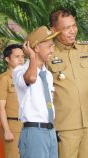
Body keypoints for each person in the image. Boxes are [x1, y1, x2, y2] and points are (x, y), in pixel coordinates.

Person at [48, 8, 88, 158]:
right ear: (54, 30)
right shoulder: (48, 53)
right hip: (64, 125)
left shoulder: (87, 48)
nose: (72, 31)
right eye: (66, 28)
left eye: (74, 26)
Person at [13, 26, 60, 158]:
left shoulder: (48, 75)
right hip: (34, 131)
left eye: (53, 46)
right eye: (49, 46)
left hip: (50, 131)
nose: (52, 49)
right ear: (36, 47)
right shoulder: (20, 71)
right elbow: (31, 78)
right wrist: (32, 56)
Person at [0, 44, 24, 158]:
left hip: (28, 124)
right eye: (17, 57)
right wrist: (6, 130)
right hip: (13, 125)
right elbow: (0, 107)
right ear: (7, 59)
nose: (21, 60)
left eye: (22, 56)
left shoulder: (26, 77)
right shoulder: (4, 79)